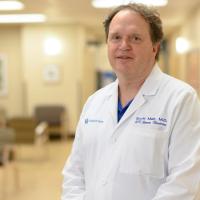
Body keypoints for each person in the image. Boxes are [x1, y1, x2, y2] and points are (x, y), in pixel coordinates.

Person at [61, 3, 200, 200]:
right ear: (108, 43)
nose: (123, 45)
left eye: (135, 38)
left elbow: (183, 185)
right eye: (116, 37)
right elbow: (74, 174)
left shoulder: (181, 99)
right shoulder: (94, 102)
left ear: (154, 47)